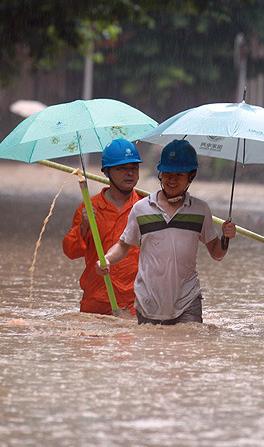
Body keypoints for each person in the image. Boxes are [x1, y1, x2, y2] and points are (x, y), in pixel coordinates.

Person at [97, 139, 236, 325]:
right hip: (148, 302)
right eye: (167, 173)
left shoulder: (200, 210)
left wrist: (226, 237)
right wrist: (107, 259)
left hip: (188, 301)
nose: (172, 180)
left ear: (191, 175)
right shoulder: (141, 209)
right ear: (160, 174)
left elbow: (216, 253)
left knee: (188, 347)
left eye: (179, 174)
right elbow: (123, 245)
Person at [62, 139, 144, 315]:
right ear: (106, 172)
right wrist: (84, 226)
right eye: (122, 168)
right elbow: (71, 251)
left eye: (134, 168)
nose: (129, 173)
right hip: (96, 302)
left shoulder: (146, 207)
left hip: (135, 303)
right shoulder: (89, 208)